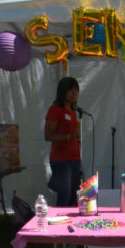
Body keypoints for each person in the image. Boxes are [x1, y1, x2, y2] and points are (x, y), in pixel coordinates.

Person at [44, 77, 82, 207]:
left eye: (77, 91)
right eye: (71, 91)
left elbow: (74, 134)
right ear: (63, 91)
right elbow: (48, 135)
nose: (75, 94)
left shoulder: (73, 111)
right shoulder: (55, 109)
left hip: (75, 158)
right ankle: (59, 222)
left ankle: (72, 223)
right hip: (61, 160)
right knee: (64, 196)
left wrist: (77, 138)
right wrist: (70, 136)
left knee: (75, 196)